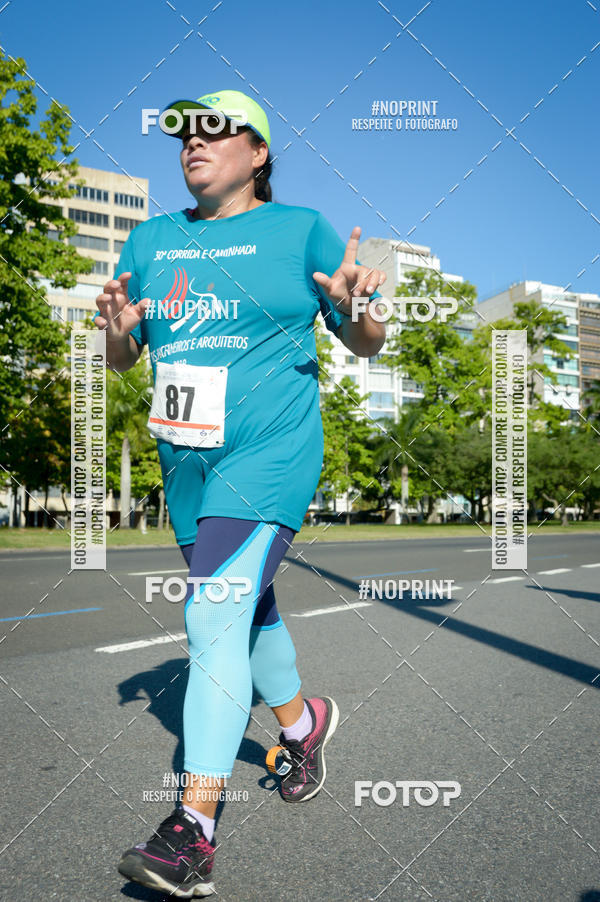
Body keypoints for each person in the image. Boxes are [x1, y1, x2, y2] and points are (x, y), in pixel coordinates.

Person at [95, 89, 386, 898]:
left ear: (258, 152)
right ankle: (303, 725)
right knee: (246, 611)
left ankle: (192, 830)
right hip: (187, 463)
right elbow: (123, 358)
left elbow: (365, 337)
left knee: (212, 609)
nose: (195, 142)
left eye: (216, 130)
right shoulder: (153, 237)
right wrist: (118, 330)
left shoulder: (300, 230)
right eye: (186, 131)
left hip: (271, 455)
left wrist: (359, 311)